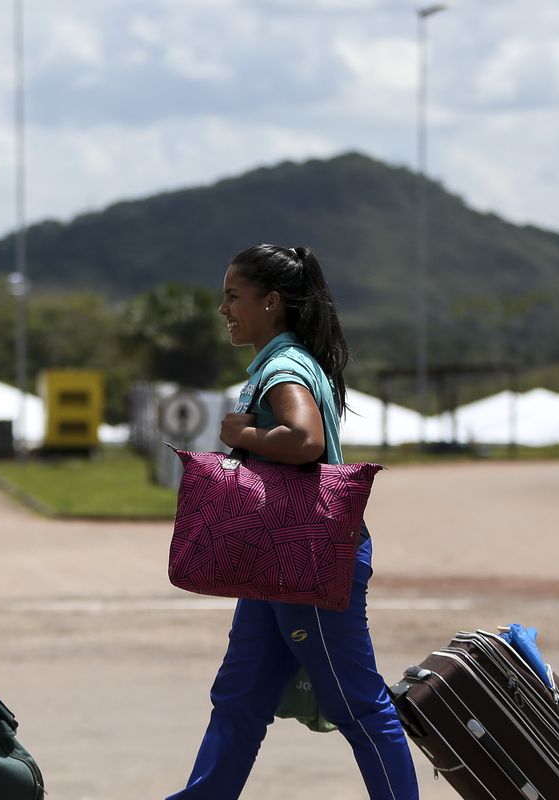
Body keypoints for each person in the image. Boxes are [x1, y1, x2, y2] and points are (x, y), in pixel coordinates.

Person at [169, 244, 419, 799]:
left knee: (357, 704)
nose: (223, 309)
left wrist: (243, 436)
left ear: (272, 302)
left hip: (305, 559)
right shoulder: (286, 361)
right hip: (274, 560)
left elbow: (305, 440)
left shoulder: (284, 367)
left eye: (233, 296)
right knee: (239, 697)